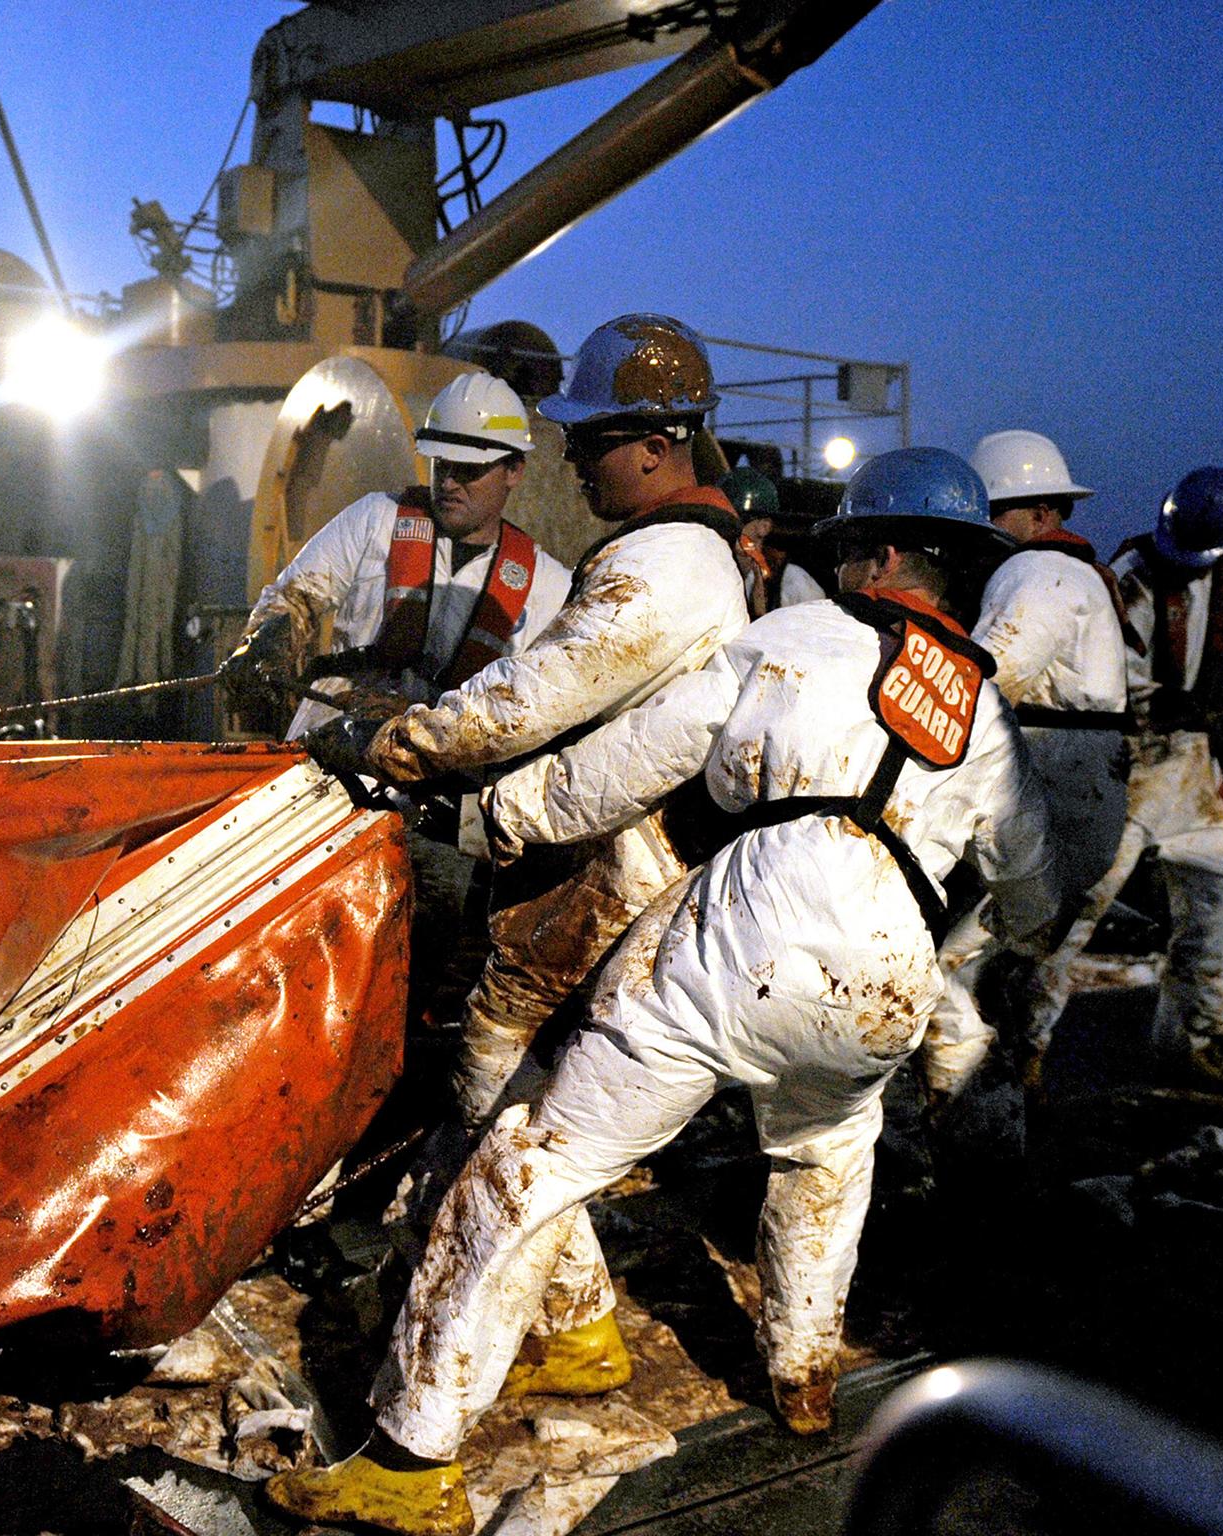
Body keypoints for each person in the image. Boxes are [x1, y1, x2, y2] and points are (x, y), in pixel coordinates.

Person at [267, 448, 1056, 1535]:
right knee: (824, 1159)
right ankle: (800, 1383)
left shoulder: (790, 638)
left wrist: (489, 819)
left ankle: (407, 1465)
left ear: (867, 552)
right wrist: (991, 939)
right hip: (888, 968)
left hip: (742, 942)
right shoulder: (983, 709)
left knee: (526, 1168)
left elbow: (627, 765)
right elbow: (1030, 884)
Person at [305, 310, 749, 1375]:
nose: (572, 459)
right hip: (599, 853)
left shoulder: (665, 567)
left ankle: (497, 1344)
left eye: (591, 442)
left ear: (657, 443)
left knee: (496, 1089)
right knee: (519, 1101)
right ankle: (576, 1315)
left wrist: (392, 739)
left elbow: (526, 698)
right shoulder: (678, 555)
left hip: (615, 865)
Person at [1031, 466, 1223, 1076]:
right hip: (1128, 764)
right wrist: (1152, 696)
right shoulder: (1133, 575)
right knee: (1077, 911)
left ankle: (1192, 1042)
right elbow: (1107, 668)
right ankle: (1023, 1047)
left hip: (1188, 767)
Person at [922, 430, 1131, 1097]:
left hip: (1046, 783)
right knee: (1009, 962)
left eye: (993, 514)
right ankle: (1004, 1102)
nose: (981, 532)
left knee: (945, 968)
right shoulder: (1079, 576)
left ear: (1040, 516)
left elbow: (984, 679)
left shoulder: (1036, 571)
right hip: (1081, 785)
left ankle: (957, 1116)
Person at [223, 371, 568, 737]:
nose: (449, 482)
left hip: (441, 778)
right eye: (441, 464)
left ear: (513, 471)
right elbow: (292, 598)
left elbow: (538, 706)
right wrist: (263, 643)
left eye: (468, 469)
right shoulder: (375, 518)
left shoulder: (549, 587)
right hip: (326, 747)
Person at [722, 465, 826, 615]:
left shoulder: (794, 583)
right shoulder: (715, 572)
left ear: (764, 526)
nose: (728, 530)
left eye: (737, 521)